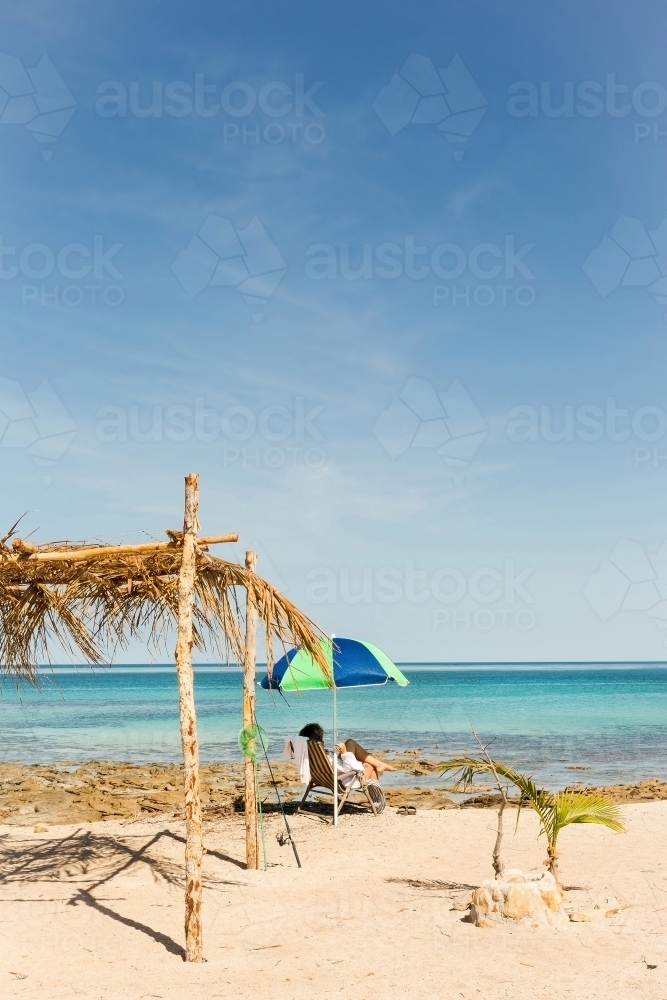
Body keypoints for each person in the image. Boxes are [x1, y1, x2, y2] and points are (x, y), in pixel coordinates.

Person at [298, 722, 397, 782]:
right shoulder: (325, 758)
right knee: (370, 766)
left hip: (323, 778)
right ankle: (376, 802)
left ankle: (380, 765)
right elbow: (348, 769)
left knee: (350, 742)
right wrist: (344, 752)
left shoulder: (308, 753)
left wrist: (335, 755)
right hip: (346, 780)